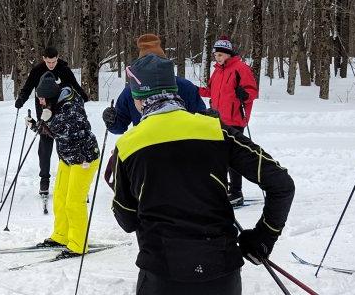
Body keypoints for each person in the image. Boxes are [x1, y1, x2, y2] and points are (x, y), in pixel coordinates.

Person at [110, 54, 295, 294]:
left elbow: (127, 220)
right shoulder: (215, 130)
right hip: (221, 273)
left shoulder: (128, 146)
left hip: (162, 275)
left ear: (138, 97)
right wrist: (264, 237)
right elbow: (281, 183)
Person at [26, 72, 99, 257]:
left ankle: (78, 244)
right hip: (67, 158)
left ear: (50, 96)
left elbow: (70, 132)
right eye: (39, 98)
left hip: (84, 158)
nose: (41, 102)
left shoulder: (71, 105)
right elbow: (54, 132)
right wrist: (36, 125)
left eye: (42, 99)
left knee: (74, 202)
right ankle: (61, 235)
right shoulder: (55, 105)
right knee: (60, 198)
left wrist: (49, 119)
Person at [14, 47, 88, 195]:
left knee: (65, 146)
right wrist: (21, 99)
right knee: (45, 147)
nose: (52, 65)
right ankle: (44, 180)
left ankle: (70, 178)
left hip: (62, 110)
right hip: (44, 110)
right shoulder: (37, 70)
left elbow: (74, 85)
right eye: (49, 62)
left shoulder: (63, 69)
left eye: (54, 61)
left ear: (58, 58)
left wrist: (83, 96)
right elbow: (28, 87)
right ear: (43, 59)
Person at [103, 33, 207, 135]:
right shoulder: (131, 91)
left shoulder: (184, 86)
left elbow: (201, 121)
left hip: (180, 143)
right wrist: (112, 121)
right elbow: (120, 126)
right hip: (145, 144)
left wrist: (208, 118)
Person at [198, 35, 259, 206]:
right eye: (215, 55)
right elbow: (210, 91)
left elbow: (252, 92)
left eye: (220, 55)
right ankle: (222, 189)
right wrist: (194, 91)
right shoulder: (217, 71)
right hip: (217, 119)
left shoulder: (241, 68)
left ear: (228, 54)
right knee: (219, 156)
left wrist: (245, 95)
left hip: (235, 119)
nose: (217, 58)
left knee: (232, 157)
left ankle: (236, 192)